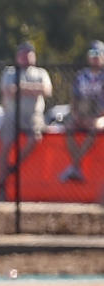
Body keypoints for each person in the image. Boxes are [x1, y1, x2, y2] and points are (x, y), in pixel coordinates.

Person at [0, 42, 52, 198]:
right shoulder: (10, 72)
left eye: (29, 53)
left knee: (35, 137)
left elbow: (46, 90)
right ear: (17, 56)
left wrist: (21, 87)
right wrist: (33, 89)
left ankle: (14, 166)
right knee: (5, 145)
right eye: (22, 53)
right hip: (12, 115)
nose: (25, 56)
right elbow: (8, 91)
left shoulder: (41, 73)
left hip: (34, 115)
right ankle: (1, 186)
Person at [60, 40, 104, 183]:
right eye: (92, 53)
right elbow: (74, 98)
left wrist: (97, 116)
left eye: (98, 53)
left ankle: (74, 165)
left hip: (100, 116)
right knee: (69, 127)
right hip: (83, 115)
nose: (95, 56)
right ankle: (76, 167)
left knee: (95, 127)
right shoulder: (81, 76)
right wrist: (77, 115)